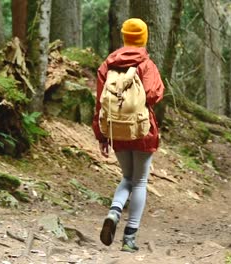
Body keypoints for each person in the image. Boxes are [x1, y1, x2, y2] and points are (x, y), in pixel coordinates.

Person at [92, 18, 164, 252]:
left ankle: (114, 211)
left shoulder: (107, 64)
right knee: (140, 181)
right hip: (142, 129)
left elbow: (99, 102)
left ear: (124, 37)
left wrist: (101, 135)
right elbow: (153, 95)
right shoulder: (146, 64)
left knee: (127, 177)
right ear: (144, 38)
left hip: (117, 130)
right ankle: (129, 239)